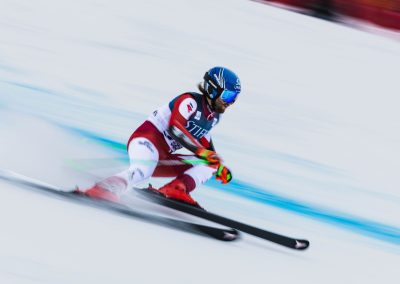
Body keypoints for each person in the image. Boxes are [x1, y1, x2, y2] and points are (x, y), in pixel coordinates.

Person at [81, 66, 241, 207]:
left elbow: (205, 144)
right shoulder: (189, 101)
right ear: (212, 89)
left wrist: (218, 166)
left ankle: (176, 189)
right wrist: (201, 152)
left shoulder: (214, 117)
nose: (230, 102)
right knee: (144, 169)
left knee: (210, 164)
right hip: (146, 142)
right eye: (227, 96)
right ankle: (104, 188)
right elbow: (175, 129)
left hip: (163, 156)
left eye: (234, 98)